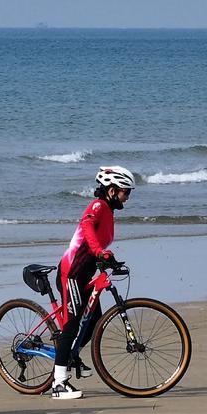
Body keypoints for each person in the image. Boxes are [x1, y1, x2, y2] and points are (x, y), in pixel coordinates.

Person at [51, 166, 135, 400]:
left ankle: (69, 355)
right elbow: (87, 227)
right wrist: (99, 251)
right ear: (111, 190)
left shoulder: (109, 211)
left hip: (84, 274)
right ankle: (58, 384)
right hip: (71, 273)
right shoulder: (97, 206)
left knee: (94, 320)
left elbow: (95, 246)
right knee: (72, 323)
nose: (127, 196)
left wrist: (108, 259)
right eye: (125, 192)